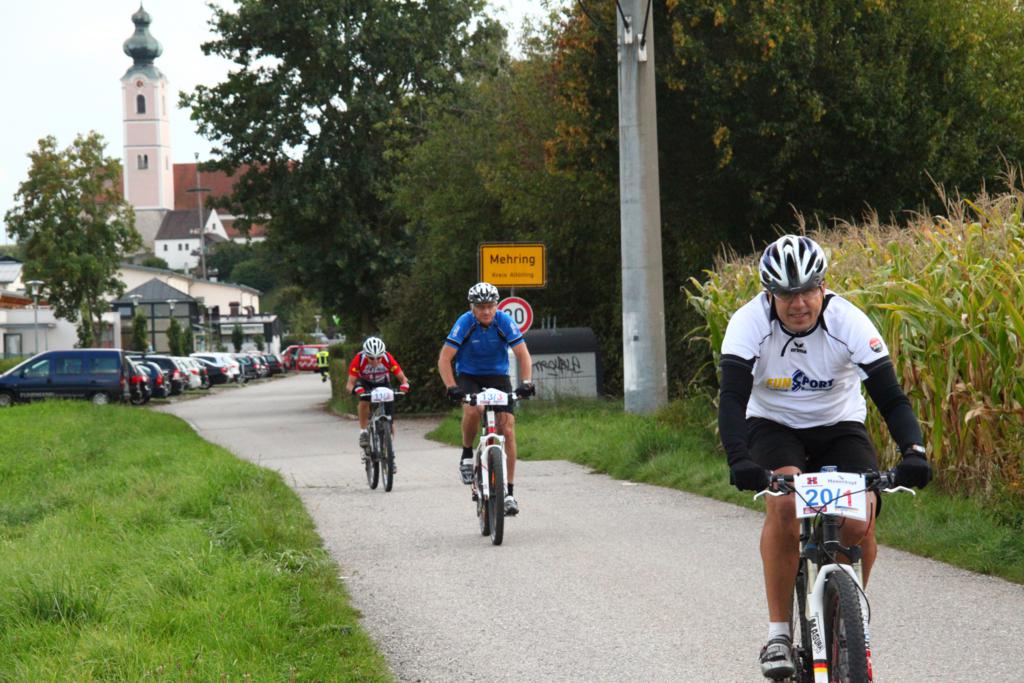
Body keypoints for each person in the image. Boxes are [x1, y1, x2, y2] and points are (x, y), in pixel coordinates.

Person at [717, 234, 933, 680]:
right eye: (786, 294)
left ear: (823, 287)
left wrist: (913, 451)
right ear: (769, 295)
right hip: (774, 425)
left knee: (859, 519)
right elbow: (732, 399)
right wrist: (740, 461)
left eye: (807, 291)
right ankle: (779, 634)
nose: (798, 304)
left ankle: (848, 620)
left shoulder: (848, 320)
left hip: (839, 427)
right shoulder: (747, 323)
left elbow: (891, 398)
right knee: (784, 504)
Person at [437, 282, 535, 516]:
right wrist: (451, 386)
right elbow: (444, 359)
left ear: (496, 305)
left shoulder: (504, 321)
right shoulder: (464, 323)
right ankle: (466, 454)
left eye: (490, 306)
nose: (486, 311)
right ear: (472, 307)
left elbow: (523, 354)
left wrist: (526, 382)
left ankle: (509, 493)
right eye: (481, 307)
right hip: (469, 375)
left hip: (498, 376)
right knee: (473, 410)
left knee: (507, 429)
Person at [345, 336, 410, 455]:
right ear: (366, 355)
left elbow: (402, 378)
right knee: (364, 402)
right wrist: (355, 390)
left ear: (383, 354)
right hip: (365, 384)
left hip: (383, 383)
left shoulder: (387, 358)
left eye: (379, 357)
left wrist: (405, 385)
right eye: (371, 358)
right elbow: (349, 384)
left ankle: (388, 449)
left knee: (390, 420)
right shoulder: (359, 359)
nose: (375, 361)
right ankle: (364, 432)